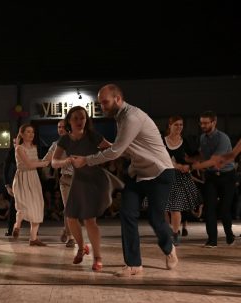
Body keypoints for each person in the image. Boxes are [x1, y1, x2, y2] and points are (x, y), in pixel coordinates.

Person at [71, 84, 177, 277]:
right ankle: (134, 264)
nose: (102, 107)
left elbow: (116, 152)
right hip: (138, 173)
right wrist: (108, 147)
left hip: (160, 172)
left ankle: (169, 248)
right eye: (100, 103)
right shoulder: (120, 117)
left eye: (105, 102)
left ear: (118, 99)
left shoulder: (131, 117)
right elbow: (125, 149)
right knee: (127, 213)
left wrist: (87, 160)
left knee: (155, 218)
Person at [52, 106, 121, 271]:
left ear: (86, 120)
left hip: (95, 180)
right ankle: (82, 248)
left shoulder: (93, 136)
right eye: (75, 118)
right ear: (69, 121)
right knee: (70, 217)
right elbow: (54, 162)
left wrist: (96, 158)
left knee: (90, 219)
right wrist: (66, 161)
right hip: (78, 180)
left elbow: (113, 149)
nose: (79, 121)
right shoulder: (65, 140)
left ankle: (98, 257)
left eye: (82, 118)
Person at [189, 111, 235, 247]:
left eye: (206, 123)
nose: (202, 125)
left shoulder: (223, 138)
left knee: (224, 210)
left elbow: (215, 161)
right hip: (211, 177)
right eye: (201, 123)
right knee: (209, 208)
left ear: (214, 122)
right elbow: (203, 157)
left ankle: (229, 235)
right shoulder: (202, 138)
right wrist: (189, 159)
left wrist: (191, 167)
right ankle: (212, 240)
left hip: (227, 176)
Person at [162, 115, 202, 246]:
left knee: (175, 208)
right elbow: (156, 156)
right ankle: (168, 232)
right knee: (163, 208)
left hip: (180, 178)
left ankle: (175, 234)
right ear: (170, 126)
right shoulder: (161, 141)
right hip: (163, 176)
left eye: (181, 125)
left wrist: (188, 165)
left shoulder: (186, 142)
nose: (179, 127)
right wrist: (173, 165)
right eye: (176, 124)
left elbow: (197, 157)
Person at [11, 124, 49, 245]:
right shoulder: (19, 148)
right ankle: (17, 225)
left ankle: (33, 238)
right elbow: (29, 164)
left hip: (33, 178)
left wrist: (46, 160)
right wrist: (44, 163)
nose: (31, 134)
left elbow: (35, 162)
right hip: (23, 177)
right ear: (22, 134)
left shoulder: (34, 147)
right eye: (28, 131)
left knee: (37, 205)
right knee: (24, 204)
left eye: (32, 132)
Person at [42, 120, 75, 247]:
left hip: (80, 180)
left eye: (62, 127)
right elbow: (46, 160)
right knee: (69, 208)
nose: (60, 129)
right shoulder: (55, 145)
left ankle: (66, 229)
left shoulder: (77, 142)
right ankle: (71, 238)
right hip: (66, 179)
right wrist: (28, 163)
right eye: (58, 127)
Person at [3, 137, 18, 236]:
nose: (15, 144)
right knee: (13, 206)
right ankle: (10, 228)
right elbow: (5, 169)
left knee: (30, 204)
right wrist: (7, 185)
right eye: (13, 142)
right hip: (15, 180)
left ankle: (34, 229)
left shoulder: (28, 149)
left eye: (17, 142)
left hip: (28, 179)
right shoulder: (11, 152)